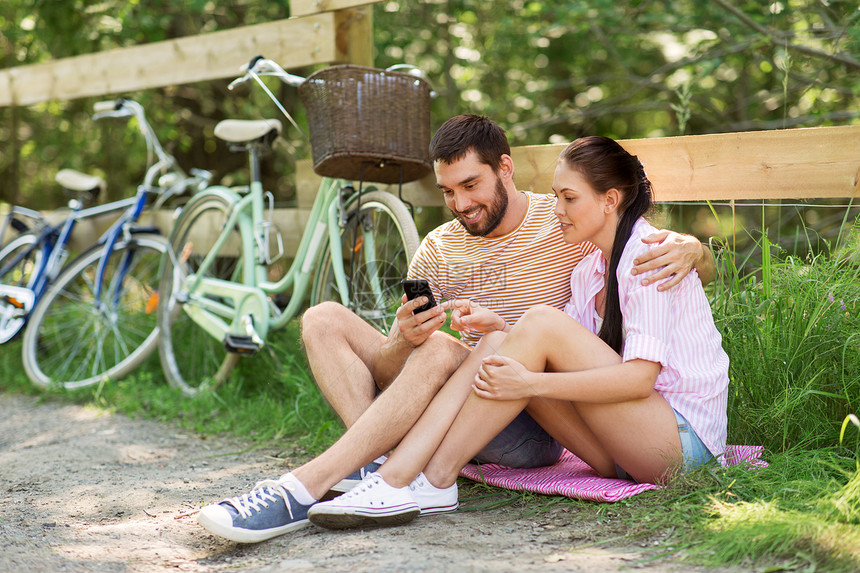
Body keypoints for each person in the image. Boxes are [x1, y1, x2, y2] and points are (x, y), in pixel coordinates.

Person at [196, 117, 715, 543]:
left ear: (505, 169)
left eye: (471, 185)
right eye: (448, 192)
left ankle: (311, 485)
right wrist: (403, 338)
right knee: (328, 318)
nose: (461, 203)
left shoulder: (571, 231)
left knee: (465, 346)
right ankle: (381, 465)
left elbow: (646, 259)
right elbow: (388, 369)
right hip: (502, 400)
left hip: (538, 418)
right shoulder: (447, 247)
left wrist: (699, 251)